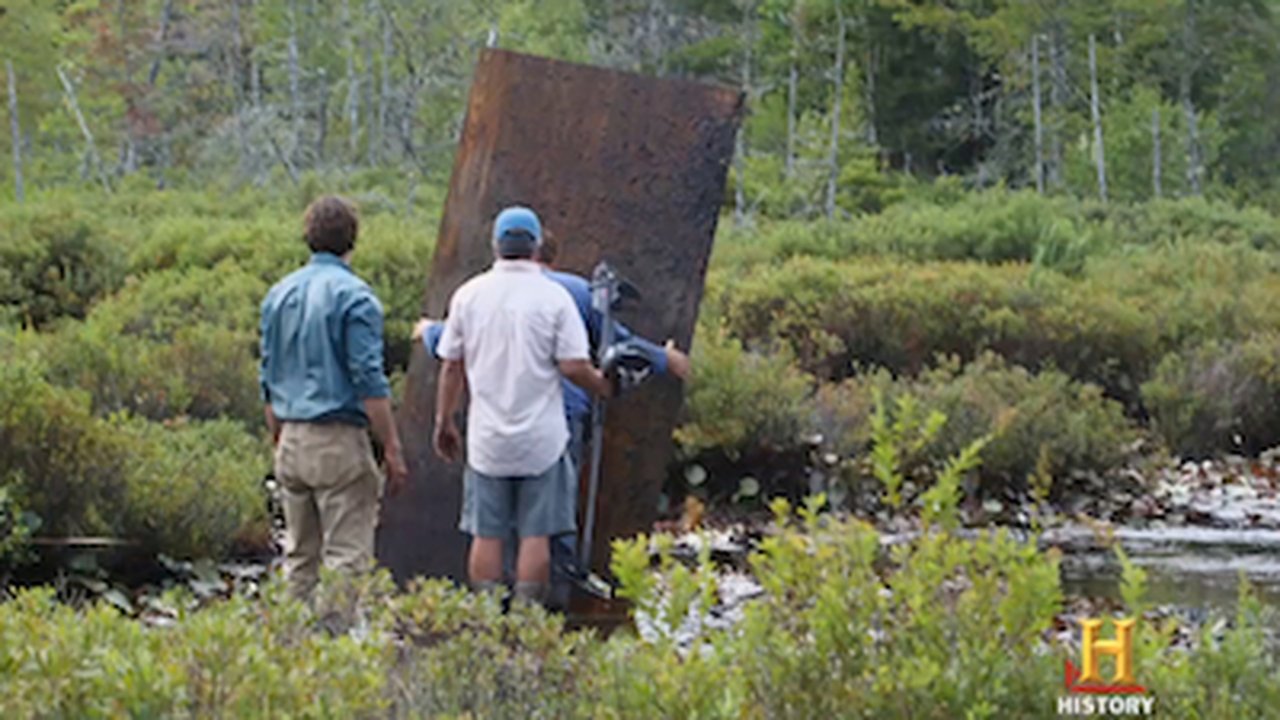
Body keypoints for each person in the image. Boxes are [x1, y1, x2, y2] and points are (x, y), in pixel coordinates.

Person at [414, 229, 691, 608]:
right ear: (547, 256)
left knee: (490, 529)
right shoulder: (571, 293)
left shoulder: (479, 291)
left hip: (491, 431)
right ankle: (547, 607)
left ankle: (489, 614)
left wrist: (428, 332)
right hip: (559, 421)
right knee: (542, 528)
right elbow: (615, 343)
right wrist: (663, 359)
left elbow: (451, 350)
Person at [432, 206, 613, 605]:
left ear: (496, 246)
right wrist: (602, 385)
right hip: (543, 440)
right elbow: (573, 366)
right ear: (535, 248)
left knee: (486, 532)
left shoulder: (468, 295)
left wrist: (444, 421)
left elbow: (451, 367)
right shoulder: (555, 297)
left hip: (487, 440)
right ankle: (529, 620)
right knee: (537, 534)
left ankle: (487, 619)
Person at [259, 195, 408, 600]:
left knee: (298, 558)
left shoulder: (278, 295)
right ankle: (334, 651)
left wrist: (278, 435)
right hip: (339, 440)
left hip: (290, 438)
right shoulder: (357, 298)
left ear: (308, 236)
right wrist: (391, 447)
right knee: (346, 559)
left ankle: (290, 651)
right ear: (352, 240)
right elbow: (368, 380)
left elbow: (268, 376)